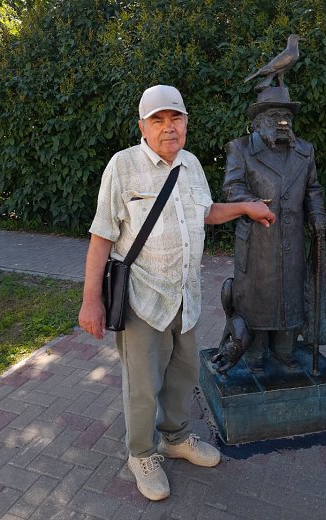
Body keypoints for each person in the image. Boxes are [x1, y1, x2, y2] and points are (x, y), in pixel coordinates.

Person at [78, 84, 275, 501]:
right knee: (143, 384)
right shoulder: (123, 166)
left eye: (176, 118)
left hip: (185, 295)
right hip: (141, 298)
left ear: (186, 122)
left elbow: (206, 213)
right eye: (158, 120)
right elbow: (101, 236)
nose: (169, 127)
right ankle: (141, 454)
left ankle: (176, 437)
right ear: (143, 127)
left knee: (183, 374)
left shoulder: (191, 164)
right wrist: (90, 300)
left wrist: (245, 206)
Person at [221, 91, 326, 370]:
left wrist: (317, 216)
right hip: (258, 240)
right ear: (258, 122)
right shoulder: (241, 148)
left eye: (287, 116)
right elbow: (231, 187)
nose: (283, 121)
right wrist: (252, 204)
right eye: (275, 115)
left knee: (289, 295)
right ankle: (253, 353)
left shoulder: (305, 150)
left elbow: (313, 189)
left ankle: (284, 350)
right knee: (256, 298)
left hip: (292, 239)